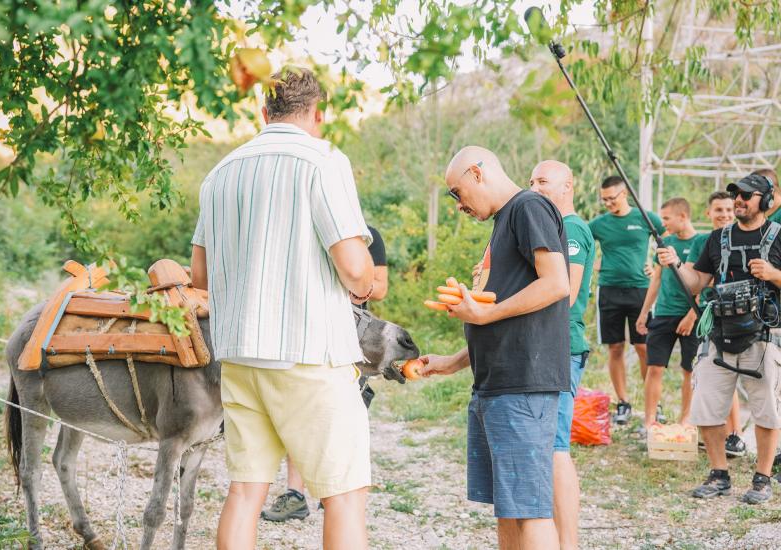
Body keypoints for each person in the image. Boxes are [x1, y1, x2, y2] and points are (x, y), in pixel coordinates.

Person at [191, 67, 376, 549]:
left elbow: (199, 278)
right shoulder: (323, 161)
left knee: (247, 491)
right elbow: (356, 268)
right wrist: (364, 285)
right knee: (345, 495)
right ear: (318, 113)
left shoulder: (220, 173)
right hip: (309, 354)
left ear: (263, 112)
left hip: (238, 355)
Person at [421, 146, 570, 550]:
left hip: (523, 386)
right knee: (509, 507)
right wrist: (452, 362)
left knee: (531, 510)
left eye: (457, 192)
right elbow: (505, 316)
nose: (458, 204)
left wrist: (486, 314)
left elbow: (557, 283)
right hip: (495, 385)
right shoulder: (505, 222)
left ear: (477, 172)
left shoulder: (529, 207)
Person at [657, 173, 781, 504]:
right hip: (719, 334)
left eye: (747, 195)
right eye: (735, 193)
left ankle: (762, 478)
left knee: (767, 409)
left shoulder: (779, 237)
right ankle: (719, 474)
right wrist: (675, 264)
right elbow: (696, 282)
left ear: (765, 201)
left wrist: (774, 275)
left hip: (764, 336)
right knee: (706, 407)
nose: (739, 199)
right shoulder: (717, 239)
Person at [261, 226, 388, 522]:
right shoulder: (305, 232)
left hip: (350, 335)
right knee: (299, 413)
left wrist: (345, 286)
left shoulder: (368, 236)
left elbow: (380, 287)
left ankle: (335, 493)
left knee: (341, 416)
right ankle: (294, 495)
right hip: (305, 333)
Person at [529, 160, 594, 550]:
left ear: (568, 185)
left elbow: (564, 293)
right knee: (547, 446)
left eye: (544, 181)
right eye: (531, 180)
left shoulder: (572, 228)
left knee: (556, 447)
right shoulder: (554, 227)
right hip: (546, 347)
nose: (534, 187)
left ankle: (567, 543)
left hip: (562, 347)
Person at [590, 176, 664, 424]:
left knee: (643, 347)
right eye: (604, 200)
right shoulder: (599, 224)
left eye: (612, 198)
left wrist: (657, 268)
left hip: (640, 291)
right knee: (615, 347)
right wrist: (595, 263)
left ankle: (653, 404)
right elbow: (578, 245)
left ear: (624, 194)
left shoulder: (645, 218)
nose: (609, 203)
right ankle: (623, 402)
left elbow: (670, 239)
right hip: (609, 289)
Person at [686, 191, 746, 458]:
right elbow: (696, 277)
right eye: (718, 210)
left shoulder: (741, 238)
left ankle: (736, 433)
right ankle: (709, 431)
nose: (724, 215)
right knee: (705, 374)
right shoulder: (704, 240)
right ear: (708, 213)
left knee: (731, 373)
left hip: (734, 316)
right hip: (707, 313)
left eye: (728, 210)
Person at [636, 198, 704, 434]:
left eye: (666, 218)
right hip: (663, 313)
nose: (662, 222)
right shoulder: (665, 243)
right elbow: (656, 279)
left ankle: (686, 420)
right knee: (654, 366)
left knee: (690, 370)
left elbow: (706, 282)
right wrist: (645, 312)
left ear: (683, 216)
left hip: (689, 315)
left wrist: (691, 316)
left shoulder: (702, 242)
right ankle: (650, 421)